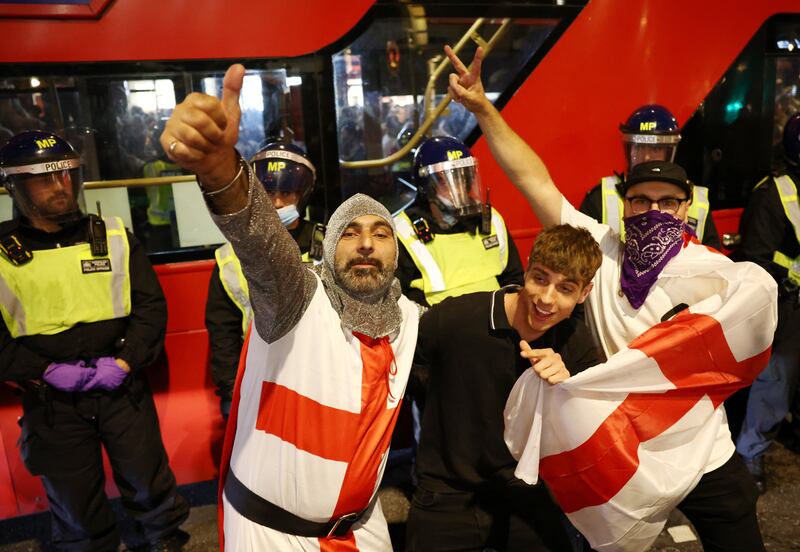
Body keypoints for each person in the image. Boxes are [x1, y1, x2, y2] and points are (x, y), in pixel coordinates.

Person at [446, 45, 777, 552]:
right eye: (640, 201)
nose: (653, 211)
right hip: (623, 446)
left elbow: (755, 309)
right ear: (624, 205)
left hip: (701, 445)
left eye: (668, 202)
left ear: (686, 208)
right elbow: (532, 177)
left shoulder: (713, 272)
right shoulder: (600, 247)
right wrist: (484, 109)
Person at [160, 63, 422, 550]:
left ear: (396, 251)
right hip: (273, 535)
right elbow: (260, 243)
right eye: (350, 232)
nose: (366, 244)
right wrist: (219, 167)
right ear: (327, 251)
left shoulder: (410, 318)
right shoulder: (298, 294)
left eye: (380, 232)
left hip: (364, 529)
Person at [0, 130, 189, 551]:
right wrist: (43, 371)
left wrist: (125, 363)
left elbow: (150, 310)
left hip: (120, 386)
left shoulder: (116, 236)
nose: (60, 187)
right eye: (45, 179)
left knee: (150, 488)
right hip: (52, 401)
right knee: (75, 507)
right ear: (15, 186)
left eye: (68, 175)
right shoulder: (0, 252)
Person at [405, 224, 603, 552]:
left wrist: (567, 389)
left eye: (565, 288)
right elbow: (393, 367)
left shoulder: (576, 343)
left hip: (528, 490)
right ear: (526, 270)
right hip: (447, 491)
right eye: (540, 278)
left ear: (584, 294)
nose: (546, 299)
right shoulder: (457, 318)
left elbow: (589, 438)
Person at [205, 141, 324, 419]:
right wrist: (231, 391)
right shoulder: (229, 257)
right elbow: (224, 334)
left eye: (287, 191)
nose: (278, 202)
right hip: (261, 377)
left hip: (321, 375)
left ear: (303, 194)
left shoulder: (332, 242)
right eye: (268, 192)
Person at [734, 112, 800, 494]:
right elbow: (756, 259)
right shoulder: (773, 193)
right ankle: (750, 455)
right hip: (787, 302)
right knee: (775, 382)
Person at [395, 135, 524, 307]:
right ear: (427, 186)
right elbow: (396, 302)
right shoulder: (402, 232)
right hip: (437, 330)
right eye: (446, 180)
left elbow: (513, 280)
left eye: (463, 178)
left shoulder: (491, 220)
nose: (459, 189)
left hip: (496, 325)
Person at [578, 104, 721, 249]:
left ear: (669, 151)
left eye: (656, 148)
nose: (647, 156)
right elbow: (579, 255)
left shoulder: (697, 200)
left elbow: (713, 260)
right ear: (629, 149)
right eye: (640, 147)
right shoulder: (600, 197)